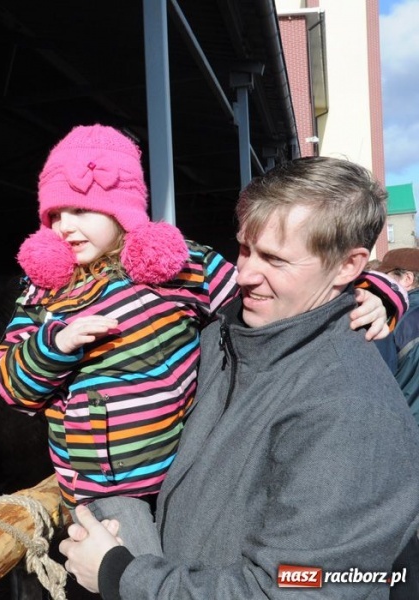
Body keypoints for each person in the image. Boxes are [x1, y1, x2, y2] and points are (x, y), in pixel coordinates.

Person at [0, 125, 402, 558]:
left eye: (81, 210)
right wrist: (54, 346)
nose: (65, 227)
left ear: (122, 210)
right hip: (107, 487)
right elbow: (10, 388)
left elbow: (265, 296)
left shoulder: (176, 265)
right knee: (134, 568)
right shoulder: (42, 295)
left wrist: (376, 291)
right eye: (54, 215)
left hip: (186, 465)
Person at [59, 156, 419, 599]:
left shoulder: (352, 411)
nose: (245, 274)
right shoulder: (226, 333)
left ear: (348, 266)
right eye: (245, 248)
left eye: (274, 258)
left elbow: (297, 587)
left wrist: (121, 575)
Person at [379, 247, 419, 423]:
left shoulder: (395, 320)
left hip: (405, 427)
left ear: (408, 279)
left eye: (386, 277)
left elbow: (375, 379)